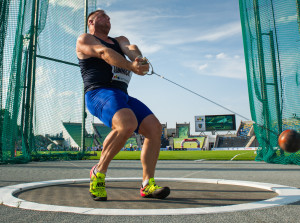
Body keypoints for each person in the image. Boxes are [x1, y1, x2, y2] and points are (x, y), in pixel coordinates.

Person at [76, 9, 170, 201]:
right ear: (91, 22)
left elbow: (130, 47)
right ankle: (98, 173)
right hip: (98, 92)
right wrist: (131, 67)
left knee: (154, 128)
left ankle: (147, 184)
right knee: (127, 124)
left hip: (121, 95)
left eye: (109, 17)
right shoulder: (85, 39)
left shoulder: (119, 40)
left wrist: (139, 59)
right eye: (102, 16)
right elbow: (104, 53)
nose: (108, 18)